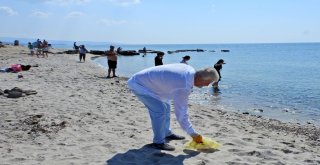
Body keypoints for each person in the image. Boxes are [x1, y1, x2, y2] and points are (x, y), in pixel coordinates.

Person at [127, 63, 219, 151]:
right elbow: (182, 115)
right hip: (140, 85)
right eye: (208, 82)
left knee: (166, 107)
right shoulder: (183, 85)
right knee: (159, 111)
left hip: (154, 85)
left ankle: (167, 133)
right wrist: (194, 134)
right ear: (200, 77)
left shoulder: (190, 70)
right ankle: (158, 142)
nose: (207, 85)